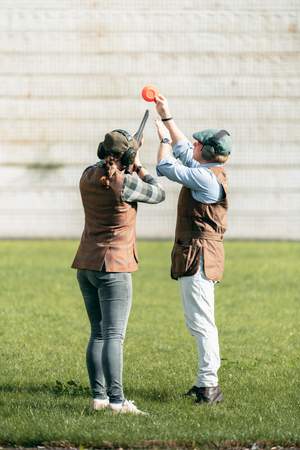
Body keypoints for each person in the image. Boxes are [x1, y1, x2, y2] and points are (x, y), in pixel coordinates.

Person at [71, 128, 165, 415]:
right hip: (114, 267)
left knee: (97, 334)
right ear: (128, 156)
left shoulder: (87, 175)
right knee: (114, 336)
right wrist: (141, 169)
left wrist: (129, 161)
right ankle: (116, 401)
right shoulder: (126, 183)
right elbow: (158, 193)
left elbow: (105, 171)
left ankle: (98, 398)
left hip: (86, 263)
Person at [154, 94, 232, 404]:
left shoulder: (203, 177)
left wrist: (161, 138)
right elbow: (185, 150)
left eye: (199, 144)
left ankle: (209, 387)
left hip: (198, 257)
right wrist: (167, 116)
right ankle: (205, 382)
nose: (194, 146)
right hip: (202, 255)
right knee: (199, 321)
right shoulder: (209, 170)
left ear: (207, 152)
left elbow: (164, 165)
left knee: (201, 322)